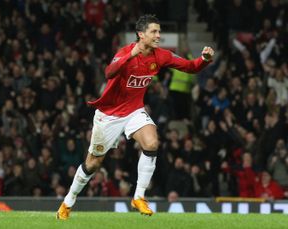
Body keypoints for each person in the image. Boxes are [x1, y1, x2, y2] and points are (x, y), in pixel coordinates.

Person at [56, 14, 214, 219]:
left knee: (151, 143)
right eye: (154, 32)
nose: (158, 35)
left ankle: (139, 196)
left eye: (159, 31)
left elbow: (190, 67)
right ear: (141, 34)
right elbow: (109, 72)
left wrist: (204, 60)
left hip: (134, 110)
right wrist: (130, 55)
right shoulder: (125, 52)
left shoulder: (161, 55)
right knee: (93, 164)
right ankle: (68, 202)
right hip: (109, 115)